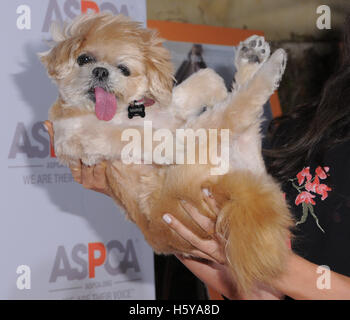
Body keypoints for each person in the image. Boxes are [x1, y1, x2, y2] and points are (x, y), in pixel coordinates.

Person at [43, 17, 350, 300]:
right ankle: (246, 94)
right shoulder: (305, 130)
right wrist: (126, 192)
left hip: (194, 173)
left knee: (207, 139)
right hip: (206, 212)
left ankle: (248, 94)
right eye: (87, 60)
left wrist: (273, 267)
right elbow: (256, 293)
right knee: (234, 138)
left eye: (122, 68)